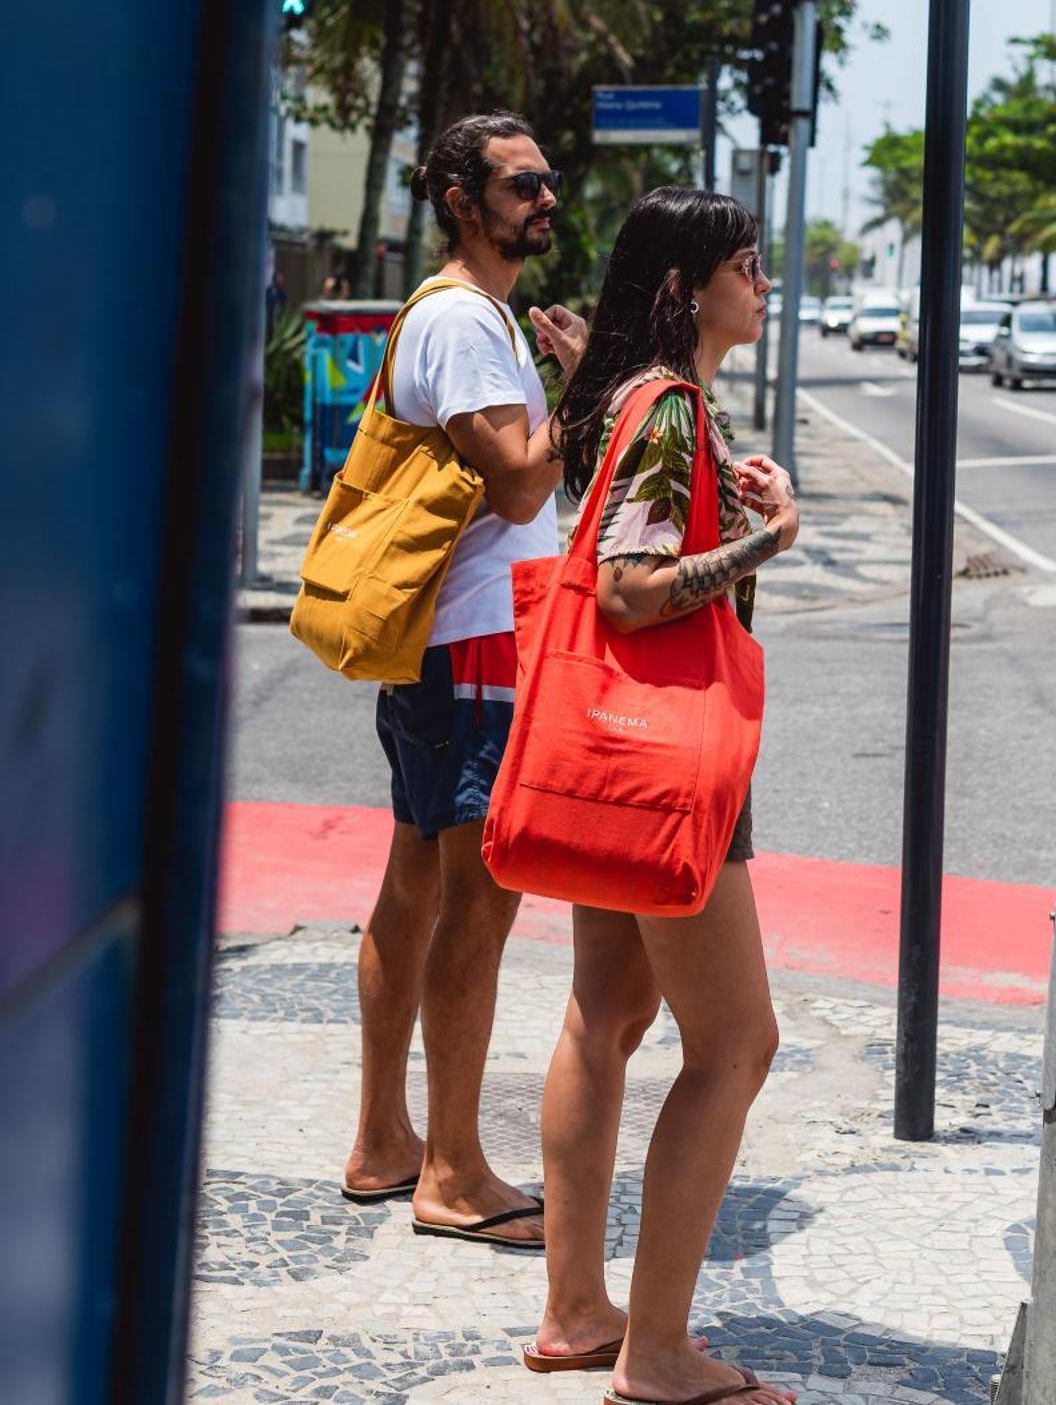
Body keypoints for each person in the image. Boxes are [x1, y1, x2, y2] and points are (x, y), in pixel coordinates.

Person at [527, 189, 800, 1405]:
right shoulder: (669, 410)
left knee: (607, 1011)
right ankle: (656, 1352)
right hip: (665, 766)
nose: (765, 284)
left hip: (609, 760)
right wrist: (767, 541)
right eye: (749, 264)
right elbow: (634, 589)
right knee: (737, 1041)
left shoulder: (649, 399)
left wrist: (734, 500)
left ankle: (579, 1311)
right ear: (689, 285)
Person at [341, 111, 584, 1253]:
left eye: (547, 181)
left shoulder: (467, 317)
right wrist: (582, 392)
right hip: (483, 632)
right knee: (479, 899)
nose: (544, 198)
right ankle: (450, 1168)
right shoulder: (464, 321)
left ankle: (387, 1139)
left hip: (452, 633)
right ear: (458, 197)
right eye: (521, 183)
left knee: (414, 884)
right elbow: (523, 490)